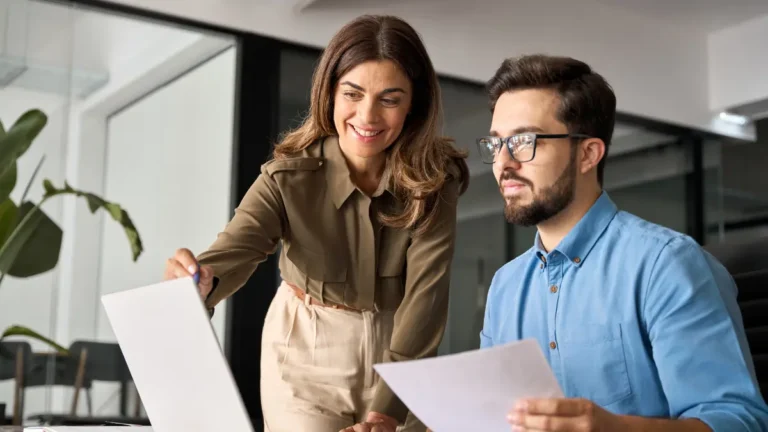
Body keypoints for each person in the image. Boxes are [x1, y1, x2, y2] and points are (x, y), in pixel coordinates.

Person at [163, 14, 468, 432]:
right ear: (329, 93)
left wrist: (387, 412)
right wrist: (199, 281)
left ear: (414, 103)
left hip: (402, 350)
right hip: (306, 351)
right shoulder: (287, 177)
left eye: (390, 99)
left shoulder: (436, 179)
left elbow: (425, 298)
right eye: (353, 93)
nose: (368, 115)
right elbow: (236, 248)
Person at [477, 54, 768, 431]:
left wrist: (616, 428)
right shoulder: (505, 286)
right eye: (497, 144)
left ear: (588, 154)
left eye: (524, 141)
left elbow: (739, 422)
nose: (504, 163)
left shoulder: (667, 265)